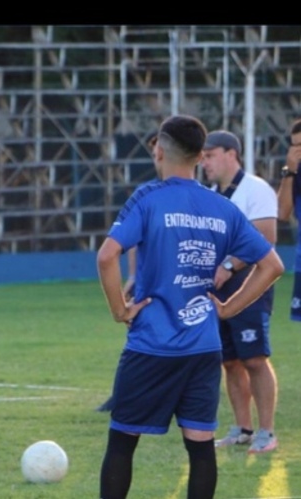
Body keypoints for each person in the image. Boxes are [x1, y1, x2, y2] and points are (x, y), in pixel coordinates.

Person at [96, 114, 284, 499]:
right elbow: (273, 266)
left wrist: (119, 309)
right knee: (199, 446)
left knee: (122, 442)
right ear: (200, 156)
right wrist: (228, 308)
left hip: (151, 343)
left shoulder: (148, 198)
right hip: (202, 346)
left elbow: (106, 256)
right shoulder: (222, 207)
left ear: (159, 151)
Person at [200, 130, 279, 454]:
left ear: (231, 153)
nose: (204, 162)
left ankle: (267, 432)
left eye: (210, 155)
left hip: (250, 284)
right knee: (229, 361)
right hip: (217, 287)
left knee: (255, 359)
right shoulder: (209, 193)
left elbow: (267, 234)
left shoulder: (255, 189)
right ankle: (242, 428)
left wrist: (229, 265)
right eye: (202, 156)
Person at [277, 118, 301, 322]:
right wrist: (289, 171)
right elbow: (282, 213)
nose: (298, 151)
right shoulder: (295, 174)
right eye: (294, 145)